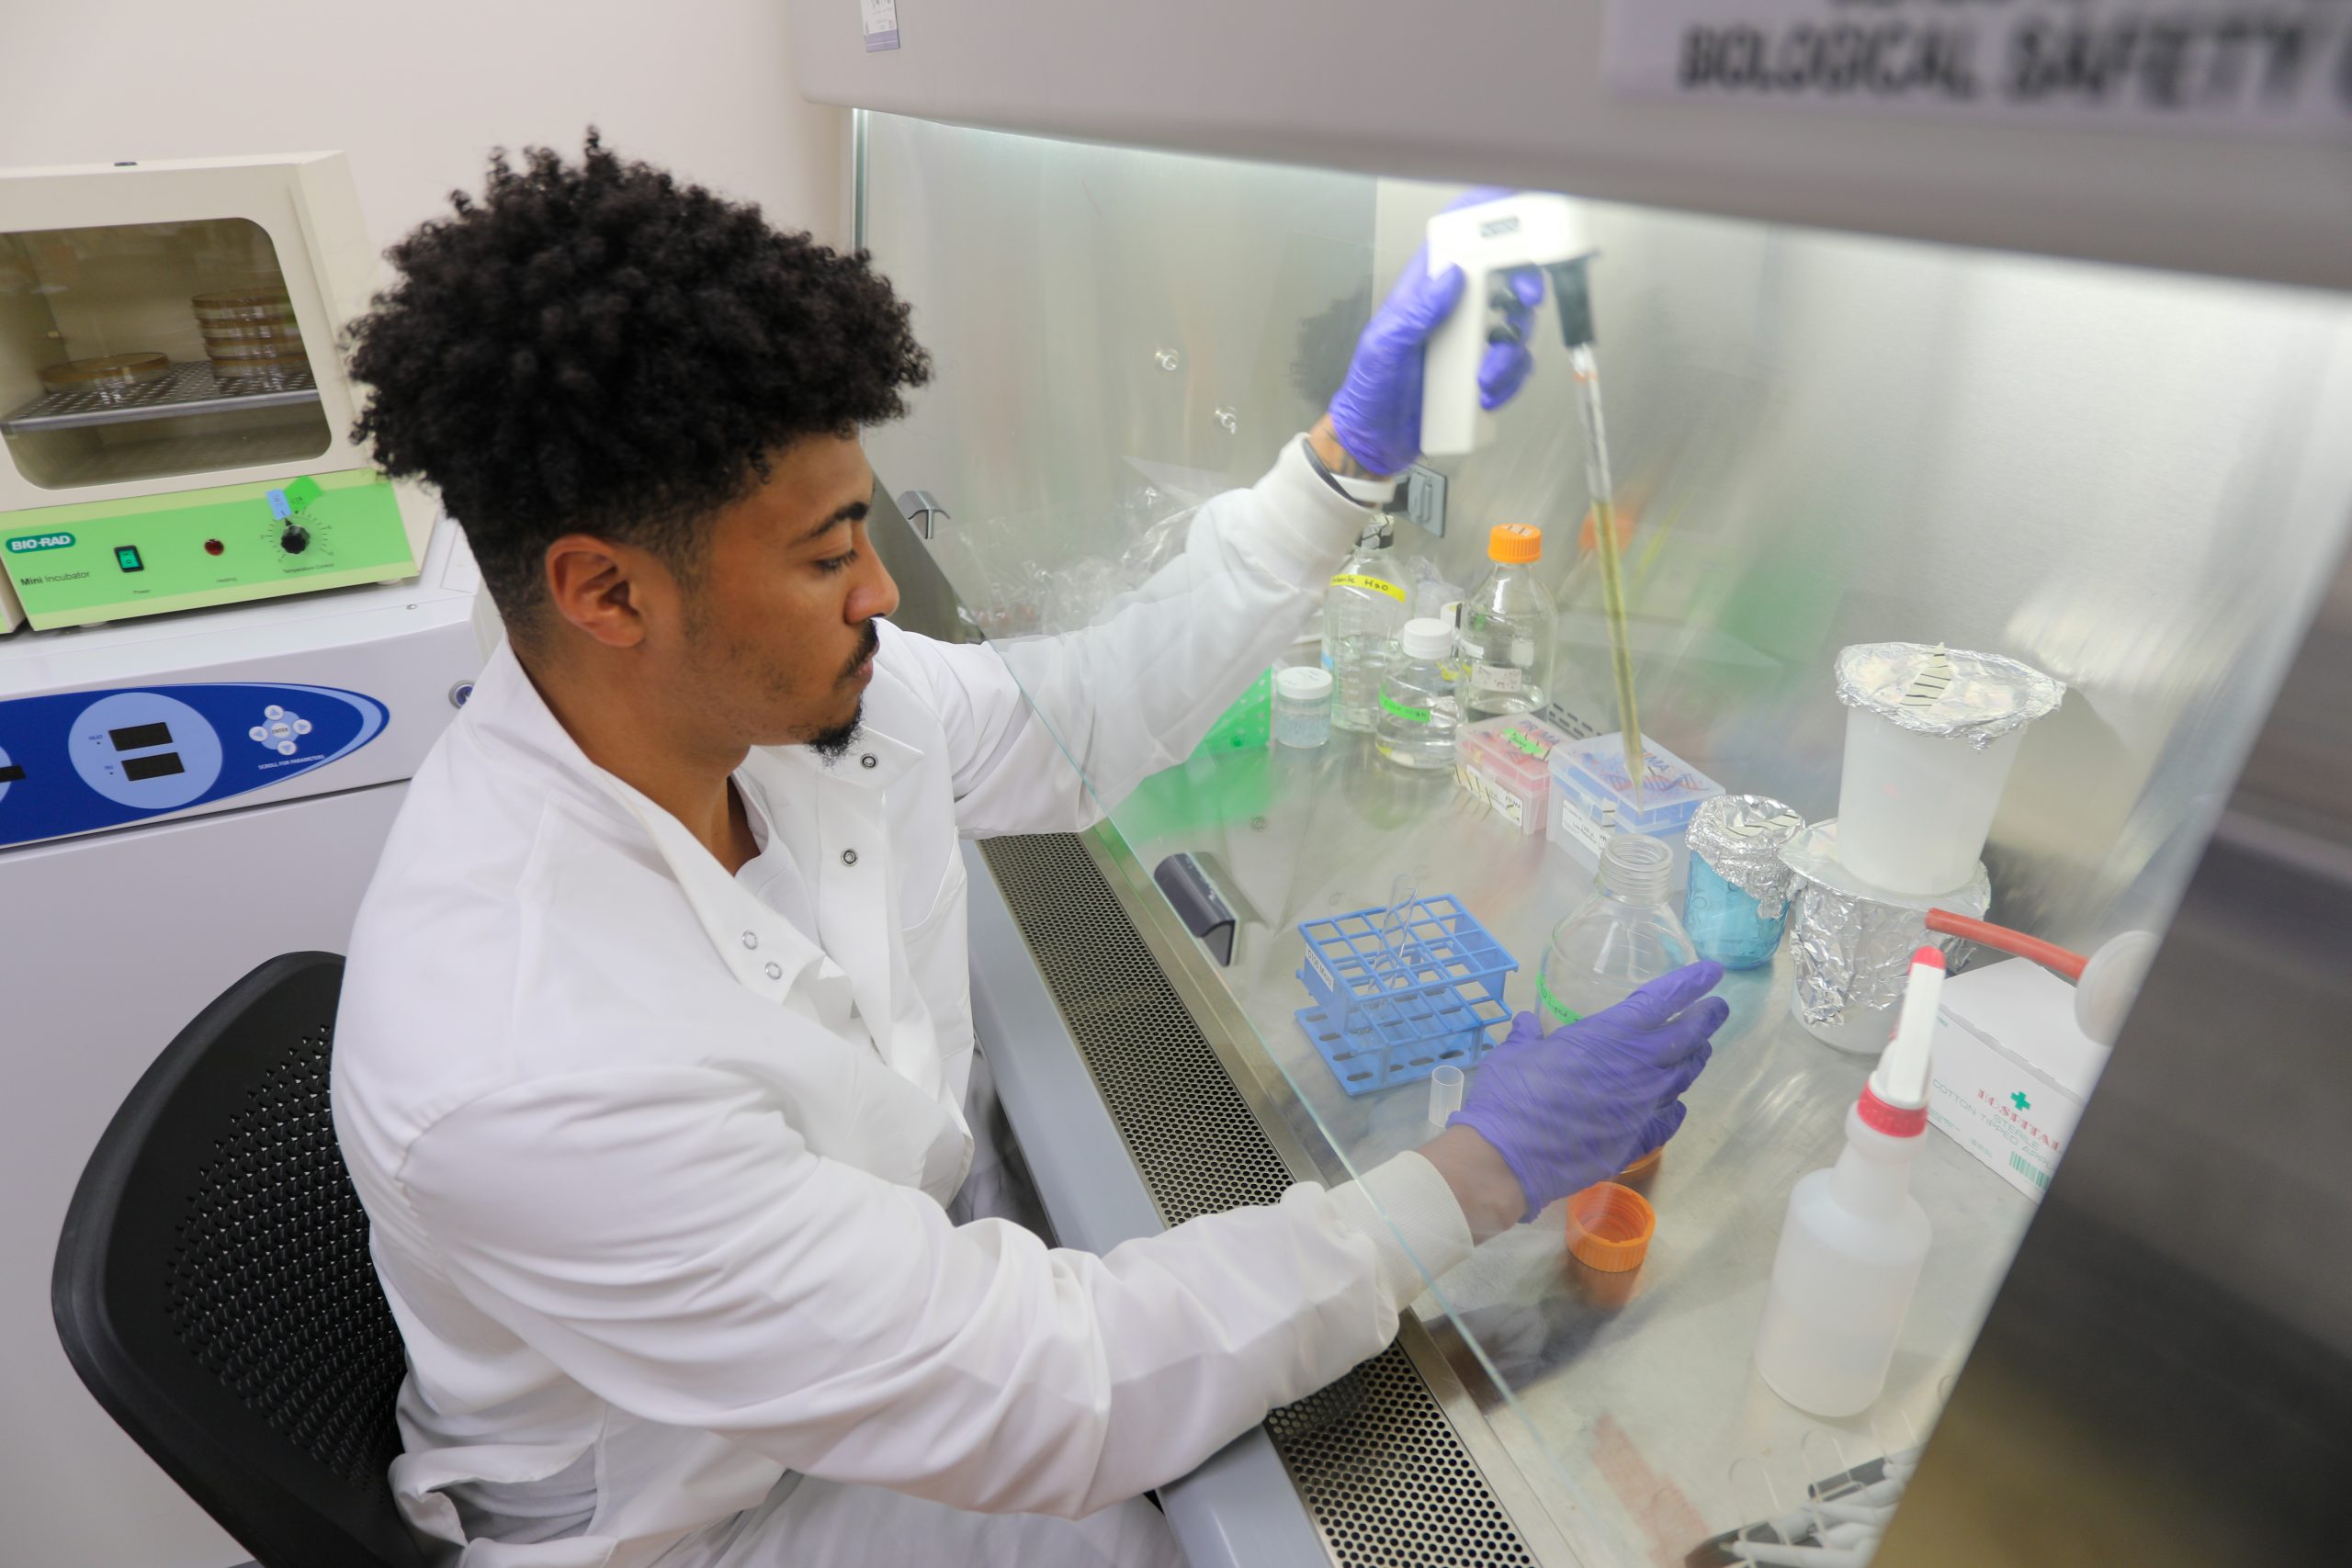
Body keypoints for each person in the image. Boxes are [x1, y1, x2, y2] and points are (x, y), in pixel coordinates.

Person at [333, 136, 1727, 1568]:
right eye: (826, 557)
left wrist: (1340, 468)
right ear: (606, 592)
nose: (880, 593)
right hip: (697, 1517)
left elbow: (1073, 719)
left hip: (859, 1342)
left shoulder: (750, 710)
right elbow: (1042, 1390)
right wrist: (1476, 1175)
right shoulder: (528, 1063)